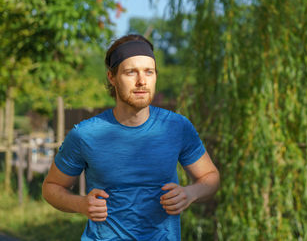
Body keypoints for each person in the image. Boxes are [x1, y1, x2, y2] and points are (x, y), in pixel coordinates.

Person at [42, 34, 220, 240]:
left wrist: (191, 193)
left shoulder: (177, 127)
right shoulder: (85, 134)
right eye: (130, 72)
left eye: (149, 72)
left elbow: (210, 177)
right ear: (112, 77)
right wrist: (81, 204)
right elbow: (51, 187)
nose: (142, 81)